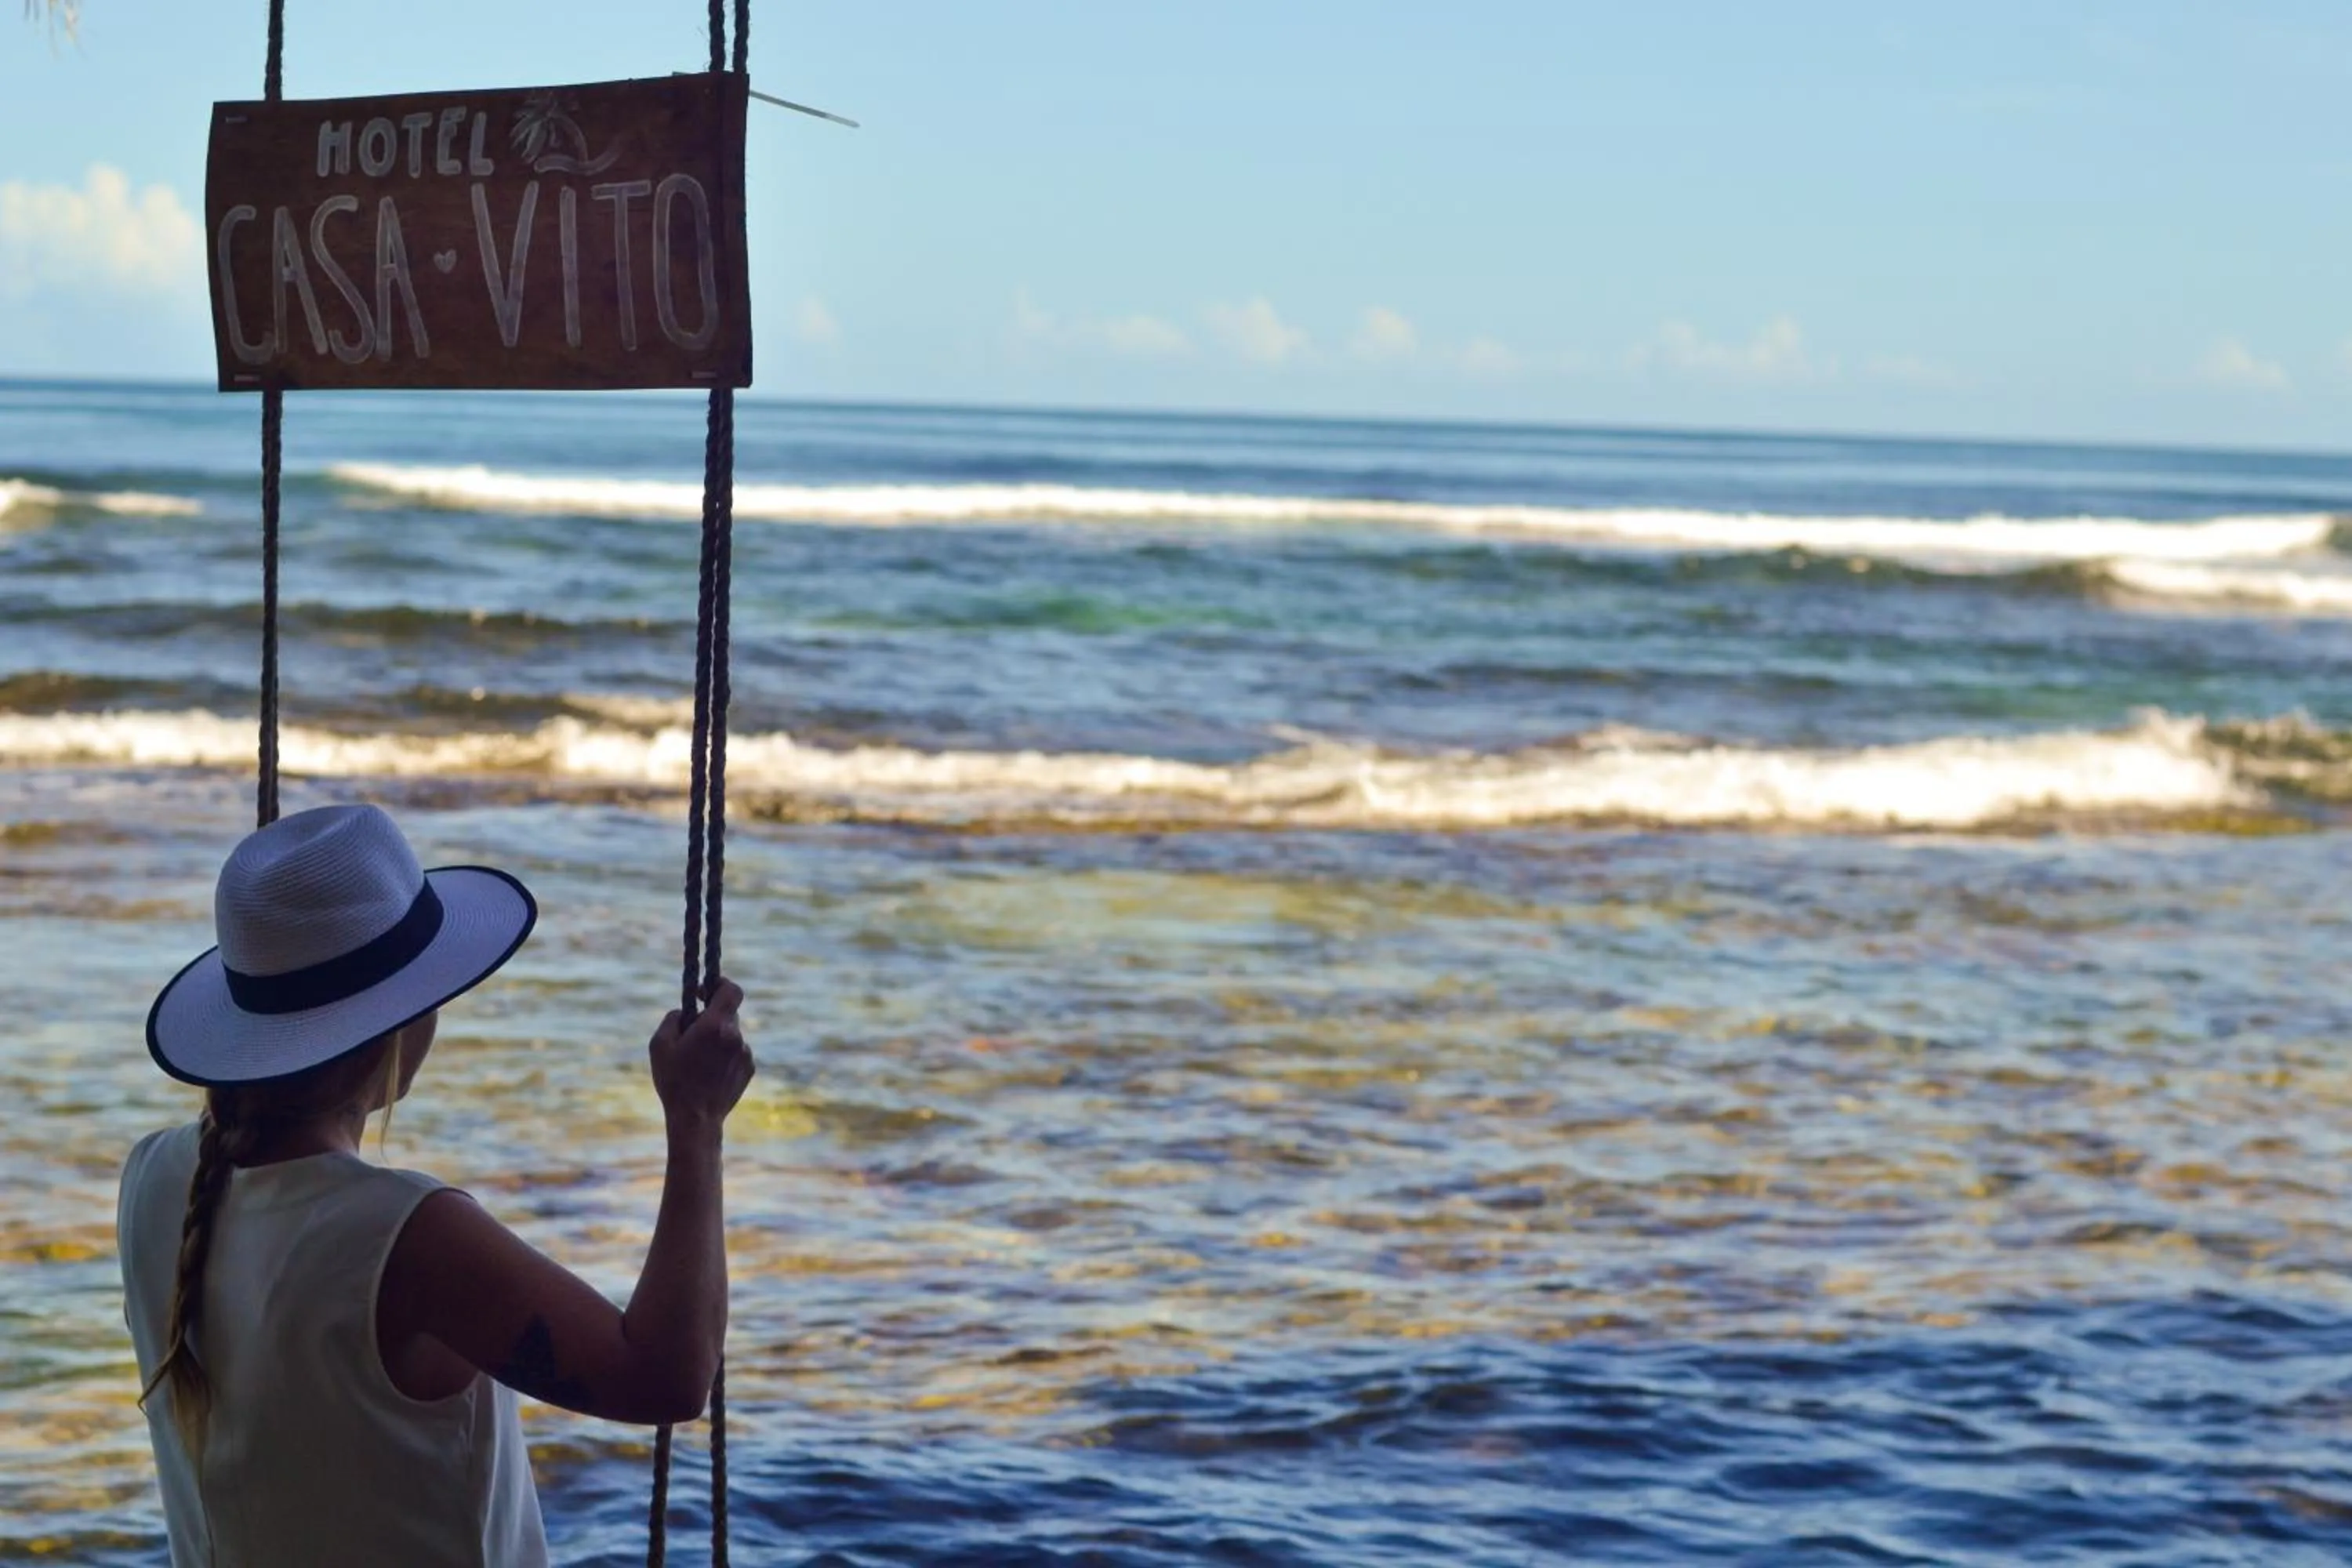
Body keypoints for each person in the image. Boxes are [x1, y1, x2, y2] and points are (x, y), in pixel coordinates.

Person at [116, 802, 754, 1567]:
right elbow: (667, 1374)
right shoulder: (406, 1235)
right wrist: (697, 1123)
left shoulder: (151, 1179)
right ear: (400, 1021)